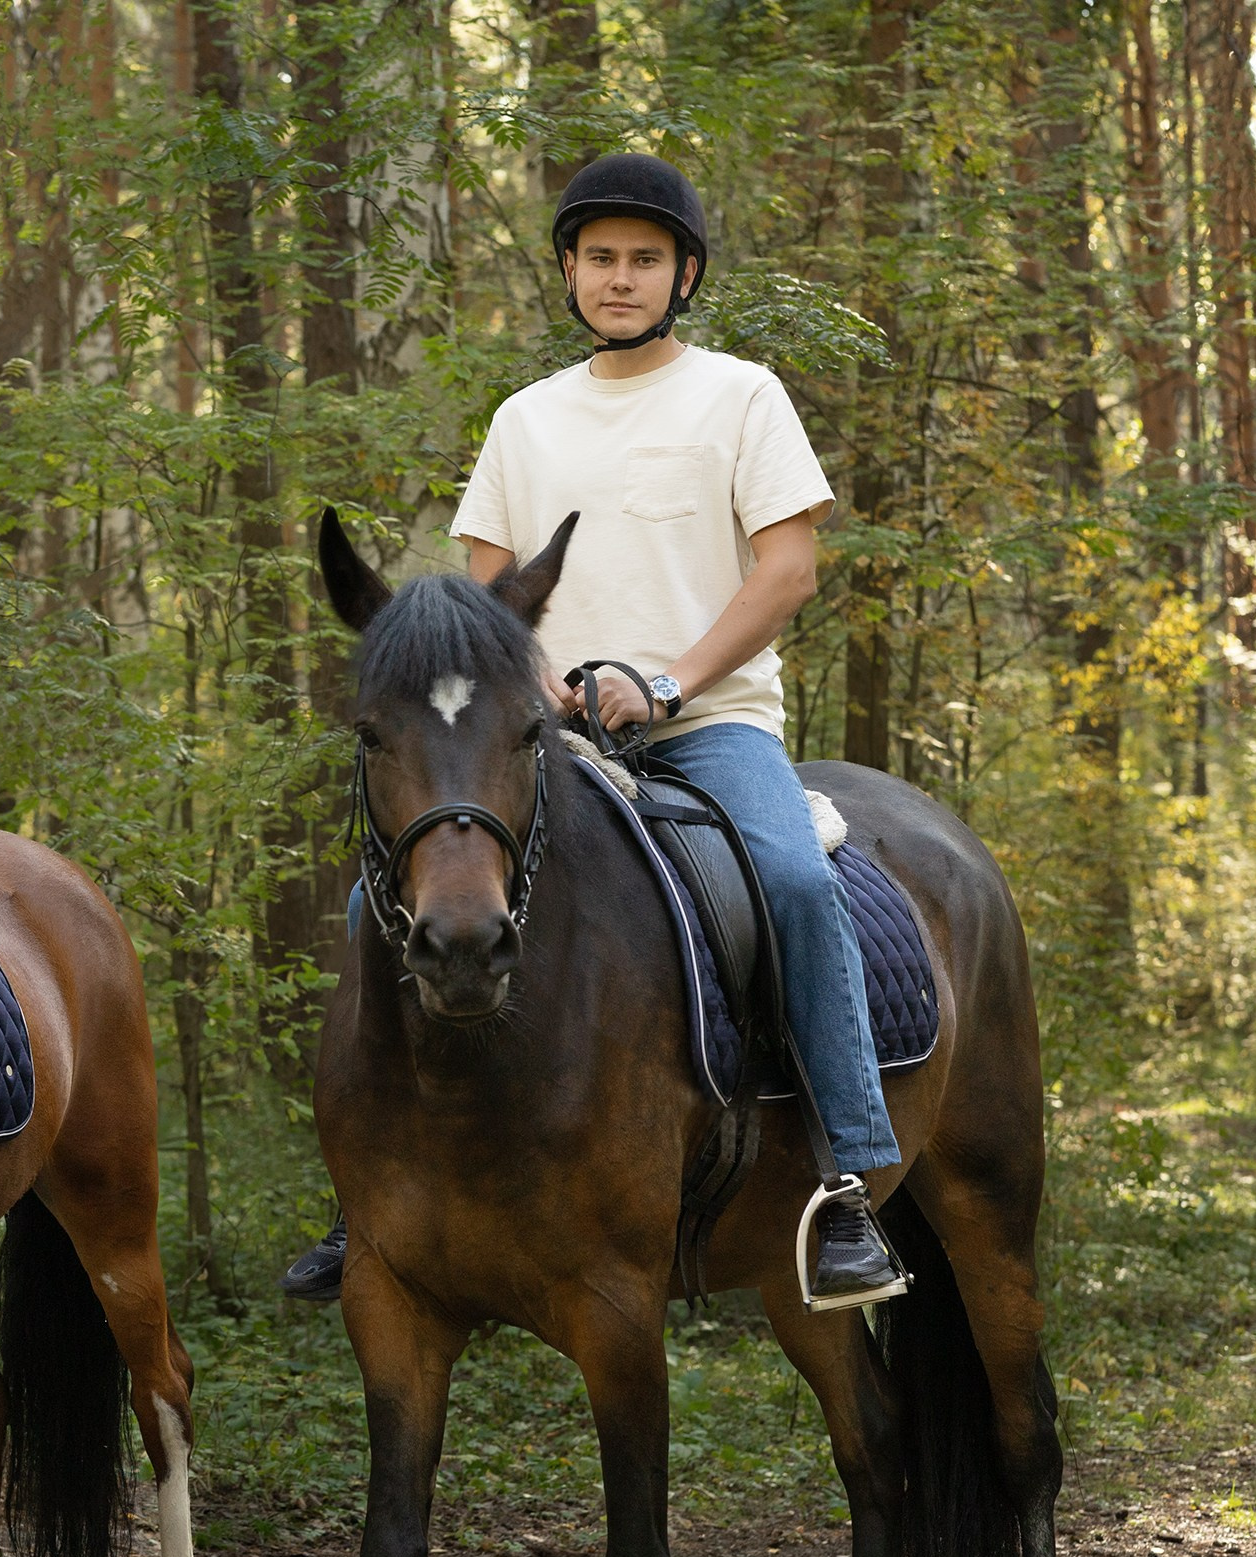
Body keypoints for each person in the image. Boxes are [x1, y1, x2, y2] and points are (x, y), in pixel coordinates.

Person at [281, 154, 904, 1309]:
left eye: (645, 259)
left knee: (792, 879)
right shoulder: (525, 420)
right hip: (548, 738)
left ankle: (845, 1183)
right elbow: (480, 605)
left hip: (707, 727)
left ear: (684, 274)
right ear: (568, 270)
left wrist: (666, 685)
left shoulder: (741, 395)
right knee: (398, 885)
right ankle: (360, 1197)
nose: (621, 278)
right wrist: (549, 688)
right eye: (601, 257)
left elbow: (789, 568)